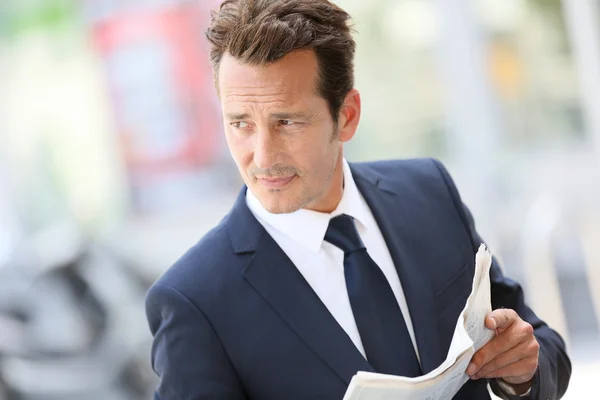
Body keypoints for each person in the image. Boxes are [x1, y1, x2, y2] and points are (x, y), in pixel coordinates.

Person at [144, 0, 572, 399]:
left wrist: (522, 370)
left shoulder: (429, 193)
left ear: (346, 116)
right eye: (240, 123)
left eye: (286, 121)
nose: (263, 155)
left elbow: (535, 339)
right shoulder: (193, 302)